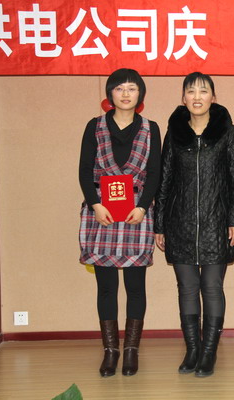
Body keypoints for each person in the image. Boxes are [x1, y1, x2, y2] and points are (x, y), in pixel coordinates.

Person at [154, 72, 234, 377]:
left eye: (203, 91)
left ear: (213, 98)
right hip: (179, 223)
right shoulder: (174, 133)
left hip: (216, 223)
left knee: (212, 287)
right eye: (191, 91)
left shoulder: (227, 133)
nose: (197, 97)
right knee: (186, 288)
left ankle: (209, 352)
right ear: (183, 98)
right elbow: (164, 181)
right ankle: (192, 350)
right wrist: (159, 225)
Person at [79, 68, 161, 377]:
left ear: (140, 94)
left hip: (136, 214)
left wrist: (142, 207)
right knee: (106, 287)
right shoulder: (95, 126)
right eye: (119, 88)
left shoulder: (151, 128)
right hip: (102, 213)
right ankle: (111, 350)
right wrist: (95, 204)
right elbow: (84, 169)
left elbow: (155, 173)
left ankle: (131, 351)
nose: (126, 94)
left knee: (136, 286)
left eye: (132, 88)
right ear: (110, 94)